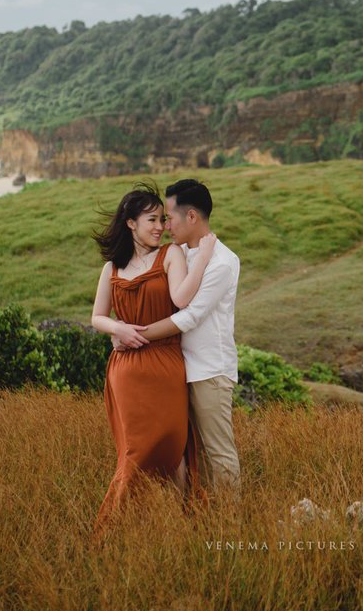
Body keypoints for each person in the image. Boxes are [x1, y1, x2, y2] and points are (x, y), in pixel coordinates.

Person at [89, 182, 216, 533]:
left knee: (172, 448)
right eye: (151, 219)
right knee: (134, 453)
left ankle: (173, 527)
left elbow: (182, 298)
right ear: (131, 223)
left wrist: (202, 258)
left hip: (164, 364)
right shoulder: (112, 268)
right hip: (126, 372)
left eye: (163, 219)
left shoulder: (170, 255)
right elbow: (96, 316)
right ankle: (119, 529)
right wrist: (116, 329)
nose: (161, 226)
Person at [112, 178, 242, 495]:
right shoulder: (179, 252)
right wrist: (118, 327)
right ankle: (196, 520)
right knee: (186, 455)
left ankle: (230, 526)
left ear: (192, 217)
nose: (165, 225)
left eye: (169, 216)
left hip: (210, 371)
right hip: (176, 371)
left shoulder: (222, 262)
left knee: (217, 453)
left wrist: (134, 336)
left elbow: (190, 316)